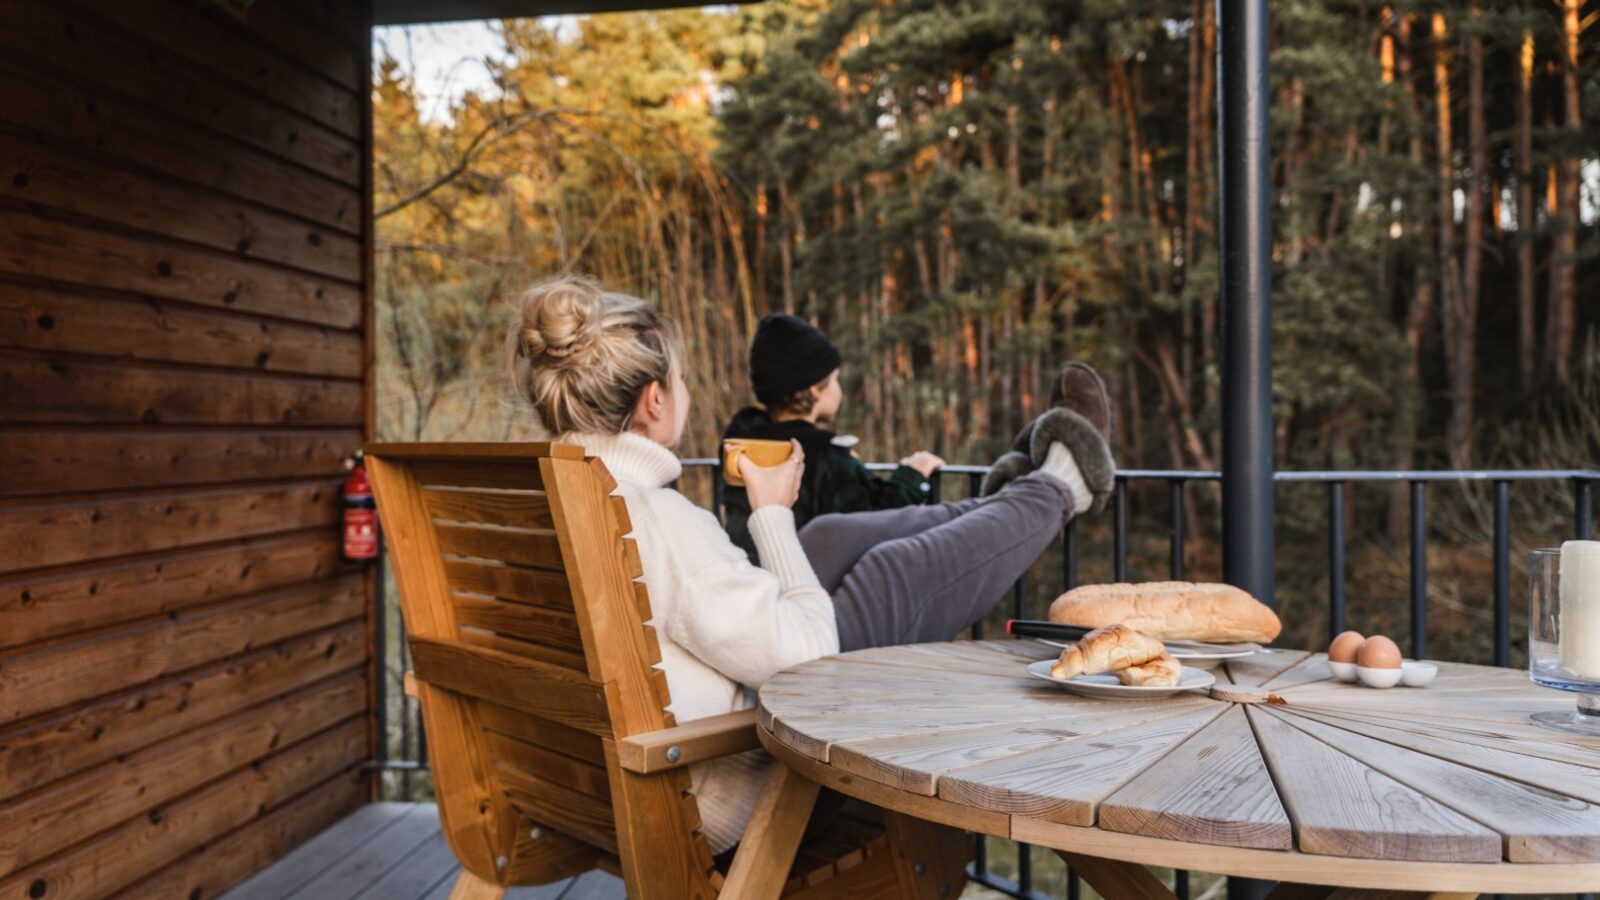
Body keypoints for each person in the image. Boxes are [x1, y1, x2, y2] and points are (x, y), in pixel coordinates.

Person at [508, 276, 1115, 856]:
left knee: (823, 538)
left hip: (581, 778)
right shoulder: (656, 518)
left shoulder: (537, 506)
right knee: (891, 575)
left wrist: (785, 525)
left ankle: (1001, 504)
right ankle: (1060, 487)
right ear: (656, 398)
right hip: (725, 791)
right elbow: (807, 654)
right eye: (684, 378)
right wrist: (770, 514)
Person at [720, 314, 944, 565]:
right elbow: (872, 522)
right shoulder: (822, 456)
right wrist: (911, 477)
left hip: (747, 579)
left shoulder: (741, 446)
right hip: (802, 586)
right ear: (815, 389)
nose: (839, 388)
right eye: (835, 379)